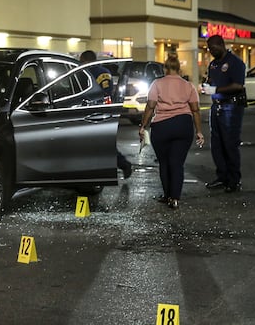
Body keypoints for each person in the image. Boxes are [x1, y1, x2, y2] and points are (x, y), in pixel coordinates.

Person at [138, 53, 204, 209]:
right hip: (183, 126)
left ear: (165, 68)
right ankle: (175, 198)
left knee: (165, 163)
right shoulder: (188, 86)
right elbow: (195, 110)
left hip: (162, 127)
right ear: (179, 69)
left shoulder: (157, 84)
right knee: (177, 163)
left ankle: (167, 195)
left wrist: (143, 126)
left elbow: (150, 106)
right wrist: (199, 131)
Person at [200, 34, 247, 193]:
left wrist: (216, 90)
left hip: (231, 107)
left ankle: (234, 180)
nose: (211, 51)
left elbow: (238, 86)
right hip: (217, 106)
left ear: (221, 44)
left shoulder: (235, 63)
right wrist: (206, 85)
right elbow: (211, 80)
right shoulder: (213, 64)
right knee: (217, 145)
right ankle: (222, 177)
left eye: (213, 48)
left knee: (230, 144)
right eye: (209, 49)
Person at [79, 50, 133, 179]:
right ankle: (122, 164)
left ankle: (122, 164)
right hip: (101, 109)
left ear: (86, 60)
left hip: (94, 110)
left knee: (101, 144)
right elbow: (108, 91)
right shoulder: (104, 72)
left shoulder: (87, 72)